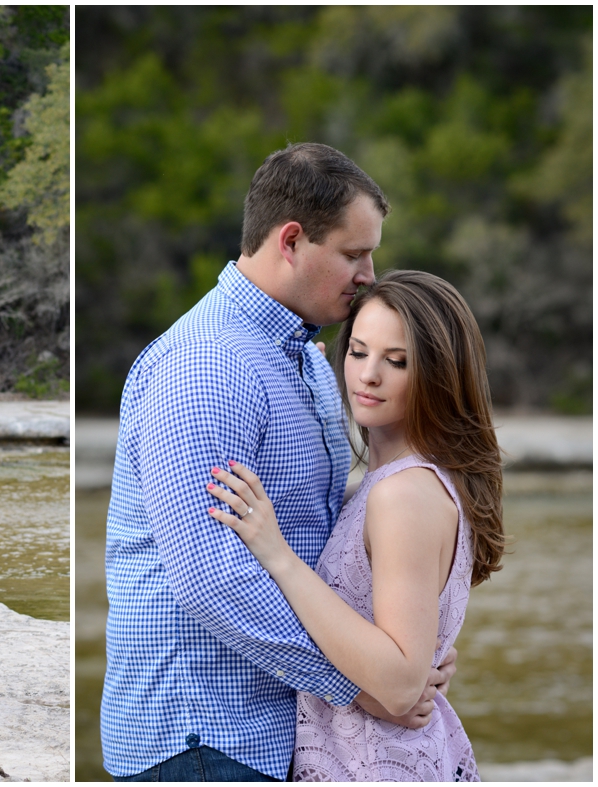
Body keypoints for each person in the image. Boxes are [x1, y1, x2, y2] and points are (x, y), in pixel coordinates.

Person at [101, 143, 457, 782]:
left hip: (279, 730)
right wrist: (361, 686)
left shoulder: (306, 357)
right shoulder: (207, 366)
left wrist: (403, 656)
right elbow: (212, 580)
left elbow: (327, 543)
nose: (369, 273)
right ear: (291, 241)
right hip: (204, 737)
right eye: (353, 253)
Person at [207, 269, 504, 780]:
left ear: (439, 374)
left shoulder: (403, 494)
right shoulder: (393, 483)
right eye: (359, 351)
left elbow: (398, 683)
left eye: (397, 361)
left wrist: (278, 555)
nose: (368, 375)